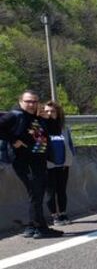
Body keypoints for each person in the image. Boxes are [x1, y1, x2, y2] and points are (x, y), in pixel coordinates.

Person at [0, 90, 62, 238]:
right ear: (21, 101)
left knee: (36, 194)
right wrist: (13, 140)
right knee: (36, 192)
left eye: (34, 101)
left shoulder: (38, 117)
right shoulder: (15, 115)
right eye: (28, 101)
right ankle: (40, 228)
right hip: (24, 161)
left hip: (39, 160)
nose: (31, 104)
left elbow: (55, 131)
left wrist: (49, 118)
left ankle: (32, 227)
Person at [43, 101, 76, 226]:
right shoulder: (41, 128)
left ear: (58, 113)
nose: (50, 114)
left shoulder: (64, 128)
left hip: (63, 164)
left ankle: (63, 213)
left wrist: (69, 160)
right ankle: (54, 216)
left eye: (52, 111)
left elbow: (70, 145)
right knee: (50, 192)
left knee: (62, 190)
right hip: (48, 165)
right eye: (47, 111)